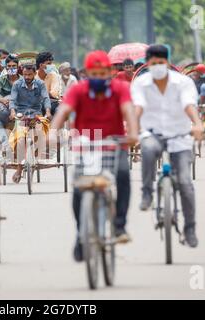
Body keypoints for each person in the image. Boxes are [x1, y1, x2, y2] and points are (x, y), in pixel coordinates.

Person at [51, 50, 138, 261]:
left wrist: (133, 134)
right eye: (94, 73)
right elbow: (63, 112)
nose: (98, 77)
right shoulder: (78, 90)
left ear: (109, 72)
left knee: (124, 176)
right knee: (80, 190)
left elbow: (128, 111)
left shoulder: (120, 88)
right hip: (86, 146)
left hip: (114, 144)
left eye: (102, 73)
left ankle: (119, 226)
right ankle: (81, 235)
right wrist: (53, 133)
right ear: (87, 73)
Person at [131, 44, 204, 248]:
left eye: (161, 62)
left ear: (168, 63)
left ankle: (189, 228)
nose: (157, 66)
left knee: (185, 184)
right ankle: (147, 192)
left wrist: (197, 124)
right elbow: (137, 108)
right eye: (153, 63)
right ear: (148, 64)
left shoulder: (183, 83)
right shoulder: (141, 84)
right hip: (152, 133)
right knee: (147, 149)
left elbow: (188, 105)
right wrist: (133, 129)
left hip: (179, 135)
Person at [9, 64, 52, 183]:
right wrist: (12, 112)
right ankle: (19, 168)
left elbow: (45, 98)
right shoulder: (17, 84)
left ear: (34, 74)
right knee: (20, 139)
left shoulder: (40, 84)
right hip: (21, 115)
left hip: (36, 114)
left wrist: (48, 111)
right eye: (25, 74)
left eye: (30, 74)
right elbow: (12, 100)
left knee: (40, 136)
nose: (27, 77)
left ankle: (34, 160)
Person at [0, 54, 22, 154]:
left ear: (18, 67)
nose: (11, 68)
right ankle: (4, 142)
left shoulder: (22, 80)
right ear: (6, 67)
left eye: (14, 66)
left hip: (20, 109)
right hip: (3, 108)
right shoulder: (2, 80)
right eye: (9, 66)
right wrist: (3, 100)